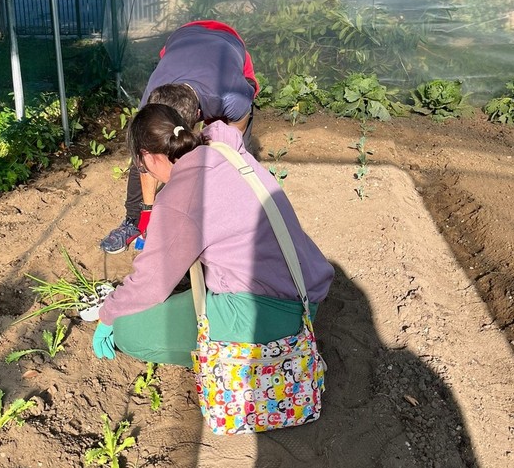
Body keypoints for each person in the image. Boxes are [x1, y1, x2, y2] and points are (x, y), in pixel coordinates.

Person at [92, 103, 334, 366]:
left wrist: (109, 314)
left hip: (266, 313)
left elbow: (152, 281)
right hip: (305, 288)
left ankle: (242, 361)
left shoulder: (180, 196)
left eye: (143, 167)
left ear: (148, 157)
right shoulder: (225, 150)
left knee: (130, 330)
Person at [99, 20, 260, 254]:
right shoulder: (152, 99)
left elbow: (234, 133)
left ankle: (234, 217)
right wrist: (147, 212)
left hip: (228, 43)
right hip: (182, 39)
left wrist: (218, 149)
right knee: (145, 147)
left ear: (196, 115)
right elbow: (146, 156)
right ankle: (132, 222)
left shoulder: (231, 98)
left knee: (235, 153)